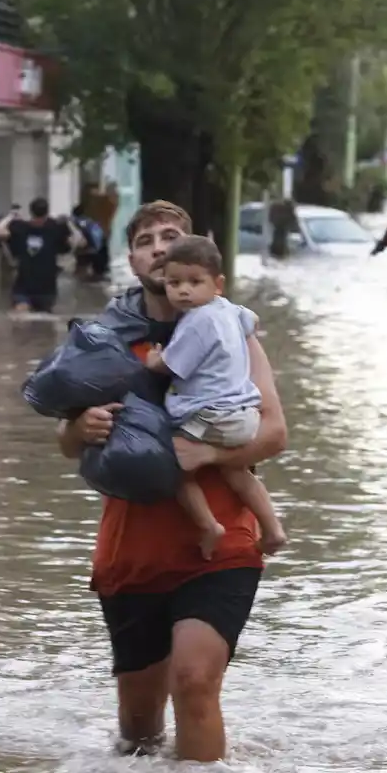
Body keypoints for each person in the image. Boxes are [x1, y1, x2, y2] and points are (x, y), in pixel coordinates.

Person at [55, 200, 287, 762]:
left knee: (194, 680)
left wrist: (203, 454)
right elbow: (65, 446)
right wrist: (80, 428)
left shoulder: (234, 331)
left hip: (223, 543)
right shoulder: (104, 342)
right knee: (138, 726)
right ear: (133, 260)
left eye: (173, 237)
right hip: (132, 548)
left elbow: (275, 433)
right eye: (146, 240)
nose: (160, 247)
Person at [142, 235, 287, 560]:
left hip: (210, 415)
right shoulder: (229, 311)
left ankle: (209, 525)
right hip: (242, 415)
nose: (184, 291)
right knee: (238, 473)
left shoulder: (197, 321)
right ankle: (273, 528)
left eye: (195, 282)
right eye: (174, 283)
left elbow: (172, 365)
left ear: (217, 284)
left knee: (174, 466)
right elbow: (252, 319)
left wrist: (154, 359)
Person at [0, 197, 85, 312]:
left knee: (32, 322)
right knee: (26, 316)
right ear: (47, 212)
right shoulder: (25, 228)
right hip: (27, 289)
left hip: (44, 290)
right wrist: (69, 222)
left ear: (31, 212)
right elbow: (79, 240)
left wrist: (10, 217)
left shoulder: (51, 229)